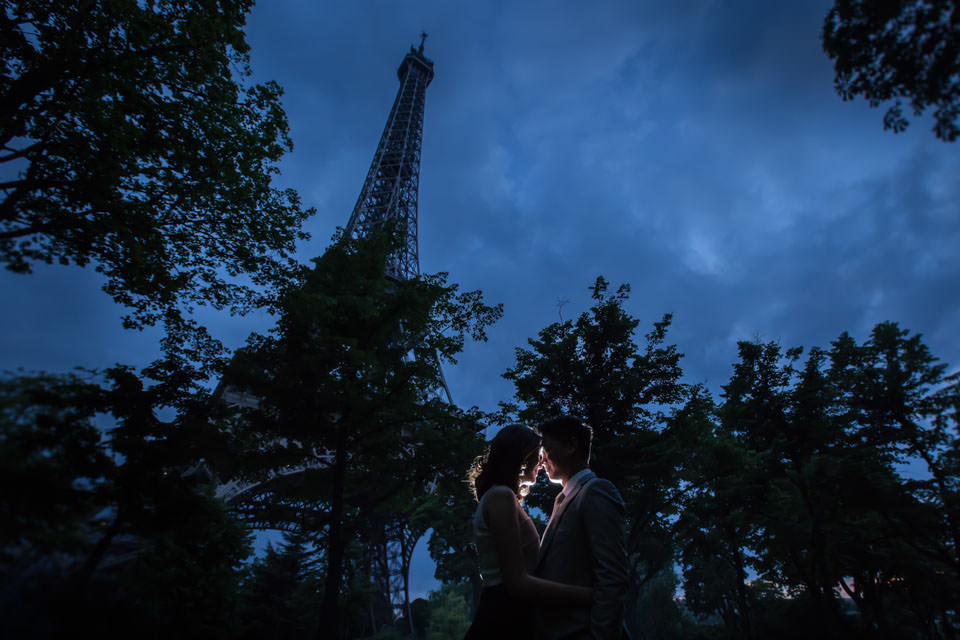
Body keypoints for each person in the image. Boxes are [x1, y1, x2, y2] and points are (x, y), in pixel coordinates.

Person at [464, 424, 593, 640]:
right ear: (522, 456)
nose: (542, 462)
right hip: (504, 617)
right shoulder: (501, 497)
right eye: (538, 454)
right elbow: (517, 583)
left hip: (505, 611)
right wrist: (587, 596)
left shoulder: (501, 497)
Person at [534, 415, 629, 640]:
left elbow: (612, 576)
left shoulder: (596, 491)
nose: (541, 459)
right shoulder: (565, 498)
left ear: (571, 445)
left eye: (546, 447)